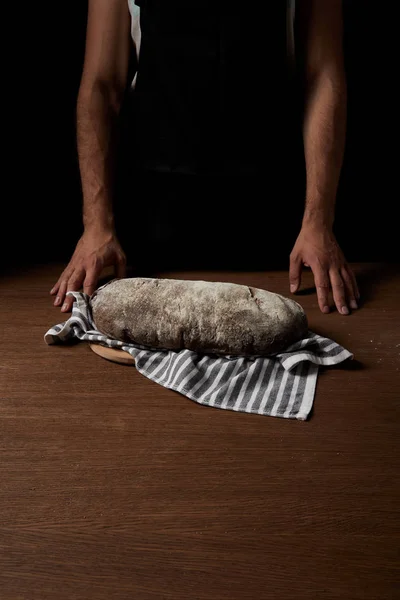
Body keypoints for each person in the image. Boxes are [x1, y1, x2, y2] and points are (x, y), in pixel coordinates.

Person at [50, 0, 360, 316]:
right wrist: (96, 225)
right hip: (152, 219)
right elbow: (102, 86)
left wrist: (318, 221)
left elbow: (323, 75)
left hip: (279, 222)